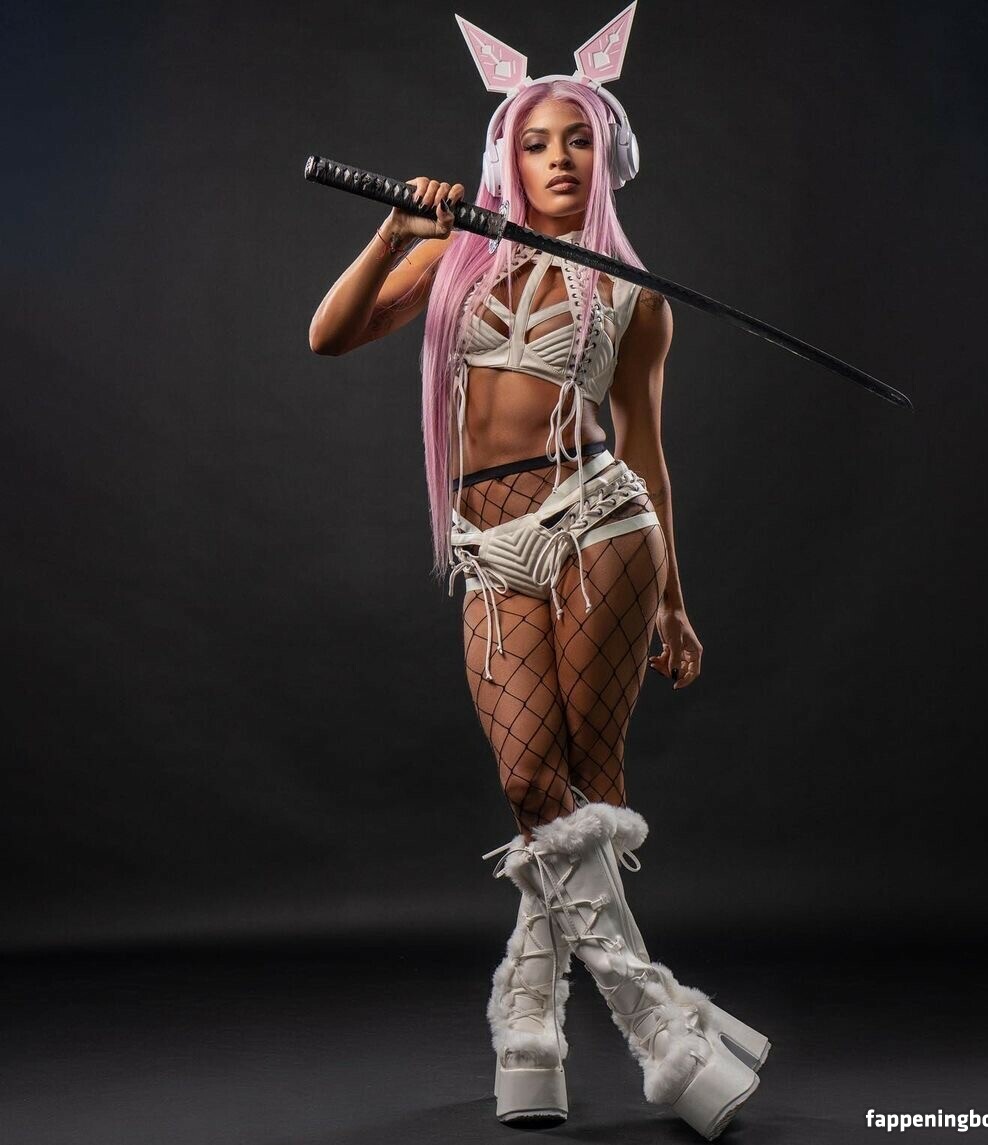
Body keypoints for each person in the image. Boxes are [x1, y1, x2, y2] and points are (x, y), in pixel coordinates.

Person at [308, 8, 769, 1138]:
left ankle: (530, 1035)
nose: (558, 159)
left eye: (577, 141)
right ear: (504, 154)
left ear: (607, 154)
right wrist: (393, 232)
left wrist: (674, 599)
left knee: (587, 776)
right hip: (488, 541)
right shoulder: (457, 259)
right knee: (534, 780)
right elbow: (329, 334)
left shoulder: (631, 295)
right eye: (535, 141)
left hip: (601, 521)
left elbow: (648, 449)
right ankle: (657, 1016)